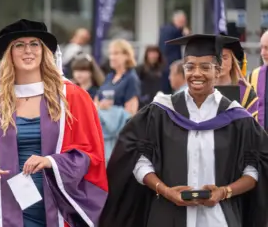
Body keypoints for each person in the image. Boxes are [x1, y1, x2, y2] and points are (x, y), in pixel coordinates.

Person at [99, 34, 268, 227]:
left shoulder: (237, 118)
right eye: (190, 67)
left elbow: (255, 169)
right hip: (167, 216)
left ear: (218, 70)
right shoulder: (160, 112)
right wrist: (165, 190)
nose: (197, 73)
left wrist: (224, 191)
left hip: (218, 218)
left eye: (205, 67)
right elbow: (138, 161)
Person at [0, 19, 108, 227]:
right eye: (19, 45)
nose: (28, 50)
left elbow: (92, 155)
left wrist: (51, 162)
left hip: (59, 207)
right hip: (6, 205)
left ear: (44, 51)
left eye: (34, 44)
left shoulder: (72, 97)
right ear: (9, 53)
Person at [95, 39, 140, 116]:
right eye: (110, 54)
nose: (112, 57)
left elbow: (131, 113)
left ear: (127, 56)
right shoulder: (109, 77)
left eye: (116, 53)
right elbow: (96, 101)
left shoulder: (131, 78)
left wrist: (110, 109)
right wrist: (100, 106)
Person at [216, 40, 259, 119]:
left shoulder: (245, 92)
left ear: (232, 61)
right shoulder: (202, 89)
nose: (220, 63)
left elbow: (252, 127)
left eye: (225, 58)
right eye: (216, 58)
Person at [159, 10, 190, 93]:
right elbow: (185, 38)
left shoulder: (166, 28)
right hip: (170, 63)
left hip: (166, 63)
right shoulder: (173, 30)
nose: (184, 24)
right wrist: (185, 33)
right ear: (177, 20)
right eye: (183, 21)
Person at [247, 30, 268, 130]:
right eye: (262, 48)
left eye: (267, 48)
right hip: (260, 138)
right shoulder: (255, 76)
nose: (263, 53)